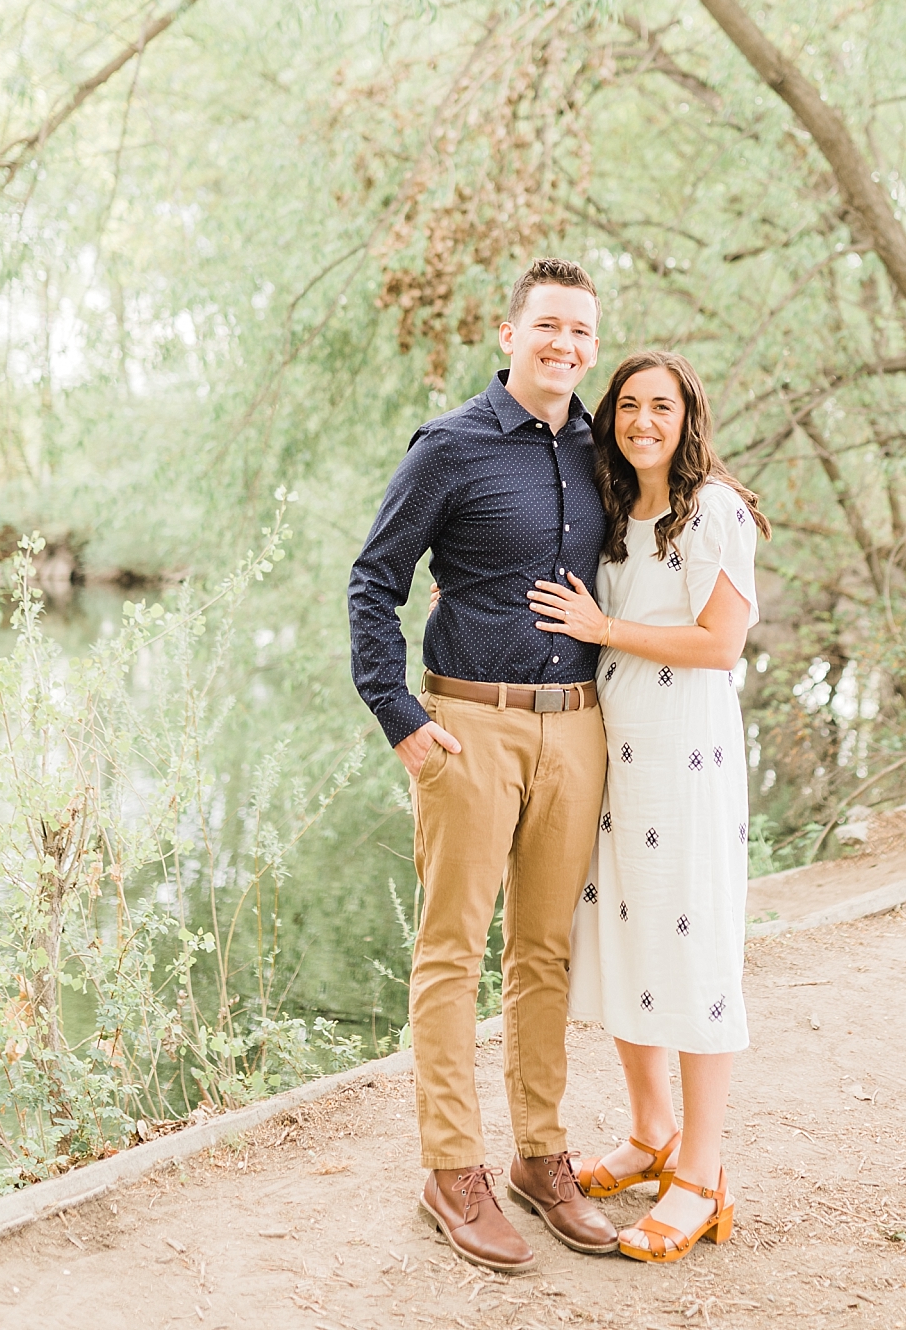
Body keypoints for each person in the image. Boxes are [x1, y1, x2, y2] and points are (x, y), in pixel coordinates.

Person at [347, 257, 619, 1273]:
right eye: (548, 326)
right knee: (452, 953)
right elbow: (374, 582)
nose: (565, 345)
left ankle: (539, 1157)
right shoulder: (450, 448)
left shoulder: (602, 452)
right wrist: (399, 715)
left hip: (578, 725)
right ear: (510, 335)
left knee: (545, 954)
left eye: (582, 331)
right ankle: (450, 1168)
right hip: (468, 727)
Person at [528, 351, 770, 1265]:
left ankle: (702, 1178)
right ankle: (650, 1133)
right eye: (627, 405)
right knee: (624, 940)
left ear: (687, 416)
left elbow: (719, 644)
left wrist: (605, 631)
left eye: (659, 406)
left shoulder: (715, 510)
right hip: (615, 760)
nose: (641, 420)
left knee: (697, 950)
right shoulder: (612, 511)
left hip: (689, 761)